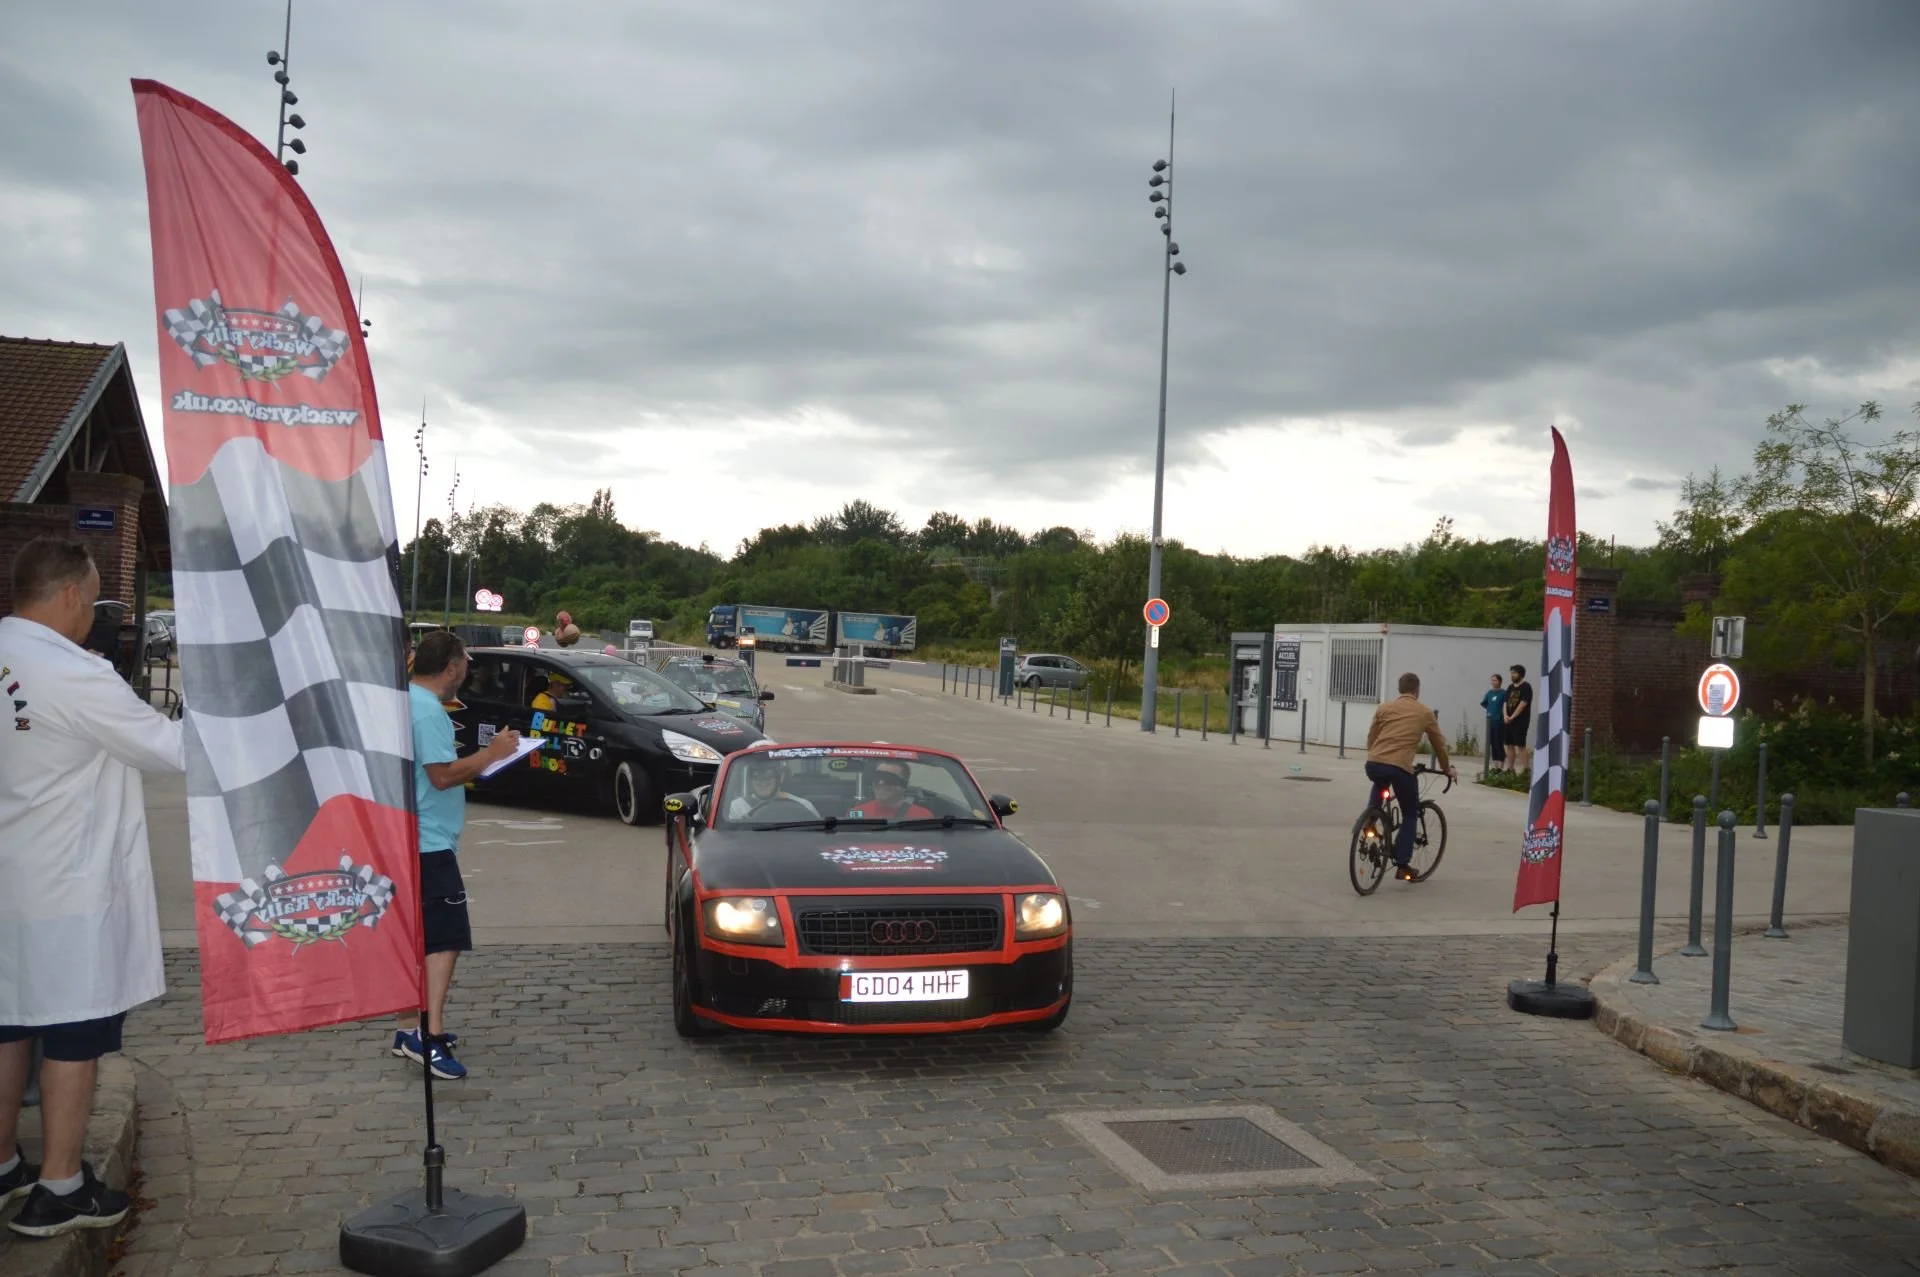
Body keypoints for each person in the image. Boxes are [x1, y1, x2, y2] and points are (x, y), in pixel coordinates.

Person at [0, 538, 185, 1237]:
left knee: (9, 1020)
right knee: (73, 1031)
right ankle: (61, 1184)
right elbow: (169, 748)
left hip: (10, 876)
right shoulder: (73, 674)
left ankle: (3, 1166)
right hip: (66, 887)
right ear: (74, 593)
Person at [393, 631, 520, 1080]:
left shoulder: (408, 699)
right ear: (450, 667)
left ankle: (409, 1028)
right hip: (429, 843)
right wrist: (491, 754)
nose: (468, 669)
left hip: (418, 837)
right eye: (465, 662)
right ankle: (427, 1035)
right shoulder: (428, 712)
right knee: (444, 940)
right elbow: (442, 776)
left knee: (419, 939)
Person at [1363, 672, 1456, 882]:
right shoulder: (1424, 713)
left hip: (1374, 762)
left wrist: (1375, 754)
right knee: (1410, 813)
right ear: (1417, 690)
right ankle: (1403, 866)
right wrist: (1446, 768)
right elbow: (1438, 745)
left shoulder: (1384, 708)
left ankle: (1371, 818)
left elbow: (1372, 736)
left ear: (1400, 689)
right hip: (1400, 766)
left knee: (1381, 781)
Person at [726, 756, 820, 820]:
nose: (762, 781)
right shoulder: (737, 808)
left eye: (769, 775)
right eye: (756, 775)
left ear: (781, 777)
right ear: (750, 778)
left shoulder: (804, 806)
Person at [849, 760, 934, 821]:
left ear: (903, 785)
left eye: (889, 779)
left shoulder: (923, 816)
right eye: (877, 777)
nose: (881, 783)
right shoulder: (857, 813)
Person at [1503, 663, 1534, 774]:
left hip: (1520, 721)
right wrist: (1505, 715)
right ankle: (1510, 769)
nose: (1512, 675)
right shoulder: (1510, 687)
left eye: (1514, 673)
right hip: (1508, 720)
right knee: (1509, 744)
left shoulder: (1526, 687)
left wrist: (1513, 716)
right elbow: (1505, 702)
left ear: (1521, 674)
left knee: (1520, 745)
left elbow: (1523, 703)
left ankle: (1526, 770)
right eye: (1511, 673)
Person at [1480, 674, 1508, 772]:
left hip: (1499, 721)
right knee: (1492, 743)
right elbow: (1484, 703)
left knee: (1498, 742)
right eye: (1492, 680)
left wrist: (1500, 713)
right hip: (1490, 721)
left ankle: (1501, 765)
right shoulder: (1489, 693)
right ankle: (1495, 765)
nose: (1493, 682)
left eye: (1495, 680)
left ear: (1500, 682)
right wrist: (1490, 710)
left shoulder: (1503, 693)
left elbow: (1506, 705)